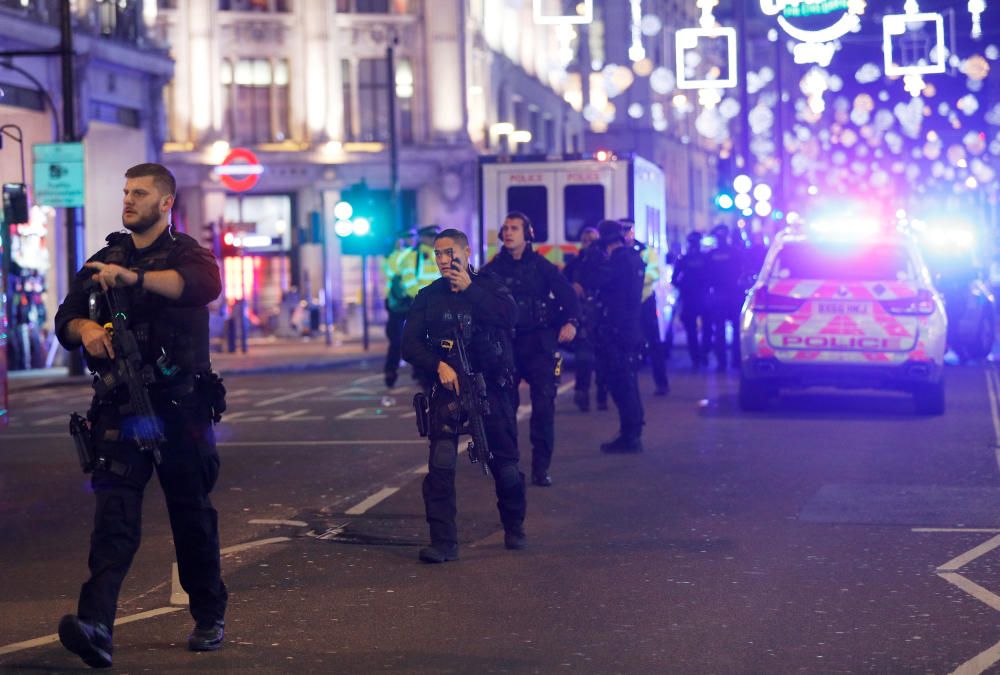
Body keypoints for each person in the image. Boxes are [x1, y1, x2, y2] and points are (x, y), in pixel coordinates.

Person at [53, 163, 228, 668]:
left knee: (191, 515)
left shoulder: (188, 254)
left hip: (180, 407)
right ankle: (96, 627)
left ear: (166, 202)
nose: (128, 200)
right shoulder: (104, 258)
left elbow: (201, 286)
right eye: (126, 190)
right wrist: (86, 328)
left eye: (140, 193)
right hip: (123, 409)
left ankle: (209, 614)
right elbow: (65, 318)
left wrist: (134, 279)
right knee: (114, 520)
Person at [401, 228, 527, 563]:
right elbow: (409, 344)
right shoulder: (429, 296)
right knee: (441, 463)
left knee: (506, 464)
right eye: (438, 254)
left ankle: (514, 527)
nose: (443, 260)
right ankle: (444, 542)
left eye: (449, 252)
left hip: (491, 387)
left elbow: (510, 316)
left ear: (466, 252)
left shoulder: (490, 285)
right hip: (448, 389)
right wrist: (438, 364)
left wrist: (471, 290)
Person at [483, 211, 580, 487]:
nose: (509, 233)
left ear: (528, 234)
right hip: (506, 346)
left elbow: (568, 296)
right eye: (505, 228)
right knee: (503, 409)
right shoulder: (493, 269)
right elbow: (475, 300)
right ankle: (508, 464)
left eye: (514, 228)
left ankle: (541, 468)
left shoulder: (541, 266)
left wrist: (571, 322)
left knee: (543, 407)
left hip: (538, 344)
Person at [577, 219, 646, 453]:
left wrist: (592, 258)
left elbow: (592, 280)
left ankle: (630, 435)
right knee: (627, 382)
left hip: (617, 331)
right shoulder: (634, 257)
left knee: (621, 383)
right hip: (629, 329)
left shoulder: (618, 262)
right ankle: (632, 431)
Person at [621, 219, 669, 396]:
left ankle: (661, 383)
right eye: (622, 229)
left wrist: (634, 278)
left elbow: (654, 272)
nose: (626, 233)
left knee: (654, 343)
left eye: (628, 229)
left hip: (644, 300)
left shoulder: (645, 250)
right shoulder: (617, 251)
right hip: (624, 303)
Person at [564, 227, 608, 412]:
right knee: (584, 355)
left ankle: (601, 395)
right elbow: (562, 281)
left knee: (603, 357)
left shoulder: (604, 261)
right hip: (585, 314)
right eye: (586, 240)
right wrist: (572, 286)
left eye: (592, 240)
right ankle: (582, 393)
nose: (589, 243)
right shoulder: (577, 262)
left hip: (602, 315)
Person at [398, 225, 441, 389]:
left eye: (435, 236)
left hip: (439, 309)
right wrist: (426, 299)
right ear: (422, 237)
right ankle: (423, 376)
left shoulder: (440, 255)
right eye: (430, 236)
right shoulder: (412, 258)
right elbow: (409, 284)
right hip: (420, 308)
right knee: (419, 343)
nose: (433, 239)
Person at [705, 224, 746, 370]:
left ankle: (722, 363)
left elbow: (706, 276)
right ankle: (736, 361)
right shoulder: (736, 252)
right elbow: (744, 273)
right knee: (735, 329)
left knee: (720, 329)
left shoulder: (711, 255)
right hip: (734, 295)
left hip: (718, 295)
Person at [671, 231, 712, 368]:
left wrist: (684, 285)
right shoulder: (706, 258)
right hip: (704, 297)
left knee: (691, 329)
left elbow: (674, 280)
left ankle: (696, 358)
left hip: (689, 298)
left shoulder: (684, 259)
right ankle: (704, 354)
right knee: (707, 328)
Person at [382, 228, 416, 387]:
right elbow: (392, 274)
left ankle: (397, 371)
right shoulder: (400, 256)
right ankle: (391, 371)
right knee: (396, 340)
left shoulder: (413, 255)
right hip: (399, 303)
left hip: (404, 302)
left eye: (412, 236)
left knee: (414, 338)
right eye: (408, 237)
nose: (411, 240)